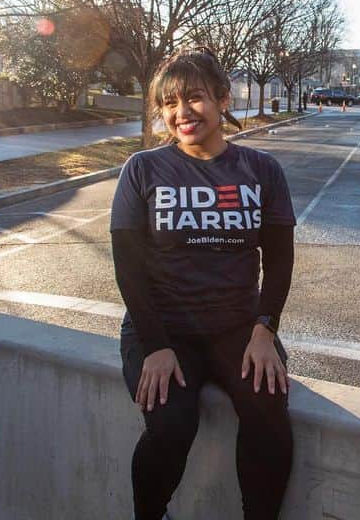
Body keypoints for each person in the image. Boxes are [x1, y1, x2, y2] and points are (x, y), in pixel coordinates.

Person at [110, 47, 296, 520]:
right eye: (169, 104)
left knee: (268, 411)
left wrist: (264, 332)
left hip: (237, 327)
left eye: (193, 98)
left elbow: (278, 260)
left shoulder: (262, 170)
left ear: (222, 99)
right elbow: (128, 266)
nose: (181, 113)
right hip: (162, 327)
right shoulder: (143, 170)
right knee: (171, 423)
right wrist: (154, 345)